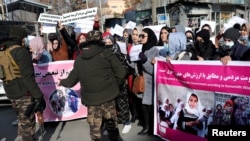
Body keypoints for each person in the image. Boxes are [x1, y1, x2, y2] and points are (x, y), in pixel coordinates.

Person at [59, 30, 126, 141]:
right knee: (113, 132)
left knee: (95, 134)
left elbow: (71, 81)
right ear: (100, 40)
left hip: (91, 102)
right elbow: (121, 73)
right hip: (108, 99)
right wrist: (113, 86)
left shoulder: (80, 58)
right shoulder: (106, 53)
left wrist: (62, 82)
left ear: (88, 41)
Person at [0, 25, 46, 141]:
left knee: (22, 121)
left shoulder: (3, 51)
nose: (25, 41)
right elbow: (28, 78)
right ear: (20, 38)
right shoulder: (21, 52)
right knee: (27, 129)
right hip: (24, 94)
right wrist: (39, 96)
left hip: (10, 92)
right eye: (24, 38)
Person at [103, 35, 132, 134]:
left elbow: (125, 69)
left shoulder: (118, 54)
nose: (107, 45)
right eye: (105, 43)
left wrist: (119, 79)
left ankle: (126, 123)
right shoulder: (103, 54)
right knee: (109, 105)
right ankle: (110, 126)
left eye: (109, 43)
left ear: (113, 43)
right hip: (108, 84)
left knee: (122, 103)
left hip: (119, 83)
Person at [137, 28, 159, 135]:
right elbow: (137, 66)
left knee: (149, 107)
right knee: (143, 106)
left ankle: (150, 128)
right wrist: (129, 60)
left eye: (143, 36)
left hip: (150, 82)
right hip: (142, 82)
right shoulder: (140, 48)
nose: (140, 38)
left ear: (149, 37)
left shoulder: (155, 50)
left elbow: (152, 70)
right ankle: (146, 126)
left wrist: (145, 60)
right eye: (140, 36)